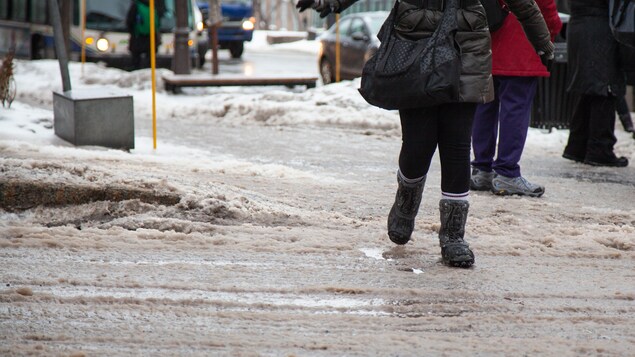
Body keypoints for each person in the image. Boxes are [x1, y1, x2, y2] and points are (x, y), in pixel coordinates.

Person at [297, 0, 554, 267]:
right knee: (418, 145)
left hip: (466, 50)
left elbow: (522, 3)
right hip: (414, 48)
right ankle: (406, 202)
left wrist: (542, 41)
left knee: (456, 147)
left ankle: (453, 236)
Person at [470, 0, 562, 197]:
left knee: (484, 104)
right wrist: (551, 30)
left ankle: (481, 168)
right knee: (516, 108)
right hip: (522, 40)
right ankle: (506, 172)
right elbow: (545, 6)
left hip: (488, 38)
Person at [561, 0, 628, 167]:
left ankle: (578, 145)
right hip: (600, 28)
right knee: (604, 86)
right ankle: (600, 149)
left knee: (588, 86)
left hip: (579, 26)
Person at [126, 0, 166, 70]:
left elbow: (130, 21)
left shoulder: (136, 5)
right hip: (152, 36)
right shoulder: (155, 4)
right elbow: (159, 21)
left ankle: (136, 71)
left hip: (138, 37)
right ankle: (150, 71)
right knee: (150, 59)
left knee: (136, 60)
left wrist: (132, 31)